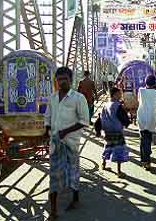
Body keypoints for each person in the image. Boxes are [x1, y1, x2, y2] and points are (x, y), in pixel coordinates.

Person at [44, 67, 89, 220]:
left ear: (71, 80)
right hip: (56, 142)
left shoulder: (78, 98)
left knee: (73, 171)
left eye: (65, 79)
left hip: (71, 142)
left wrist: (66, 131)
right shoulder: (52, 98)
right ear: (56, 81)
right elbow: (47, 118)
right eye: (59, 79)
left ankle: (75, 197)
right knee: (54, 175)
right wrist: (48, 132)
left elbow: (84, 121)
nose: (61, 82)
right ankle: (53, 211)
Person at [96, 87, 130, 178]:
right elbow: (123, 117)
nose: (121, 95)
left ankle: (103, 164)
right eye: (119, 94)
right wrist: (127, 123)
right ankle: (119, 171)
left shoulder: (105, 105)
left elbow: (100, 117)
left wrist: (99, 130)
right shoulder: (117, 105)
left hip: (107, 131)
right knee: (119, 150)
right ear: (114, 95)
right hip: (116, 131)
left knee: (108, 147)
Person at [137, 75, 156, 170]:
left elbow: (139, 100)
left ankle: (145, 160)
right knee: (147, 138)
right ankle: (147, 160)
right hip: (151, 118)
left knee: (143, 138)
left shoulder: (141, 91)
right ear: (155, 83)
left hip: (141, 117)